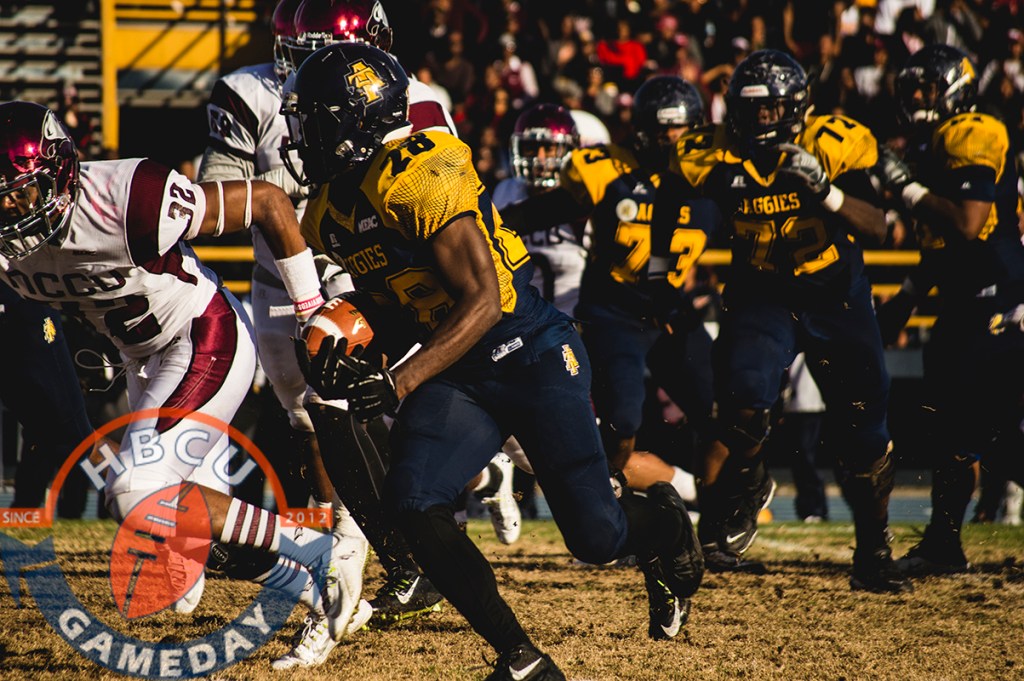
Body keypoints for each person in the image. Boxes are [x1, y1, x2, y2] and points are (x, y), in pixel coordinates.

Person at [285, 42, 703, 676]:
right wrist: (352, 342)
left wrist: (396, 384)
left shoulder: (418, 170)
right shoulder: (327, 213)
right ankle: (521, 658)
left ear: (361, 116)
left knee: (596, 539)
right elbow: (395, 301)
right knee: (414, 502)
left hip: (525, 348)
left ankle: (668, 529)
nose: (300, 135)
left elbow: (480, 300)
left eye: (314, 119)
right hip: (460, 372)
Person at [0, 99, 369, 665]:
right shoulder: (10, 247)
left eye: (20, 192)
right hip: (145, 360)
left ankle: (320, 552)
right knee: (176, 536)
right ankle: (320, 590)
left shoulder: (130, 198)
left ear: (60, 172)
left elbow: (268, 203)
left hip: (205, 336)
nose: (10, 208)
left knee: (135, 492)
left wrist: (310, 309)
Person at [653, 50, 911, 593]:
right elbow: (672, 190)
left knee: (865, 434)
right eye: (754, 111)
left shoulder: (832, 141)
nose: (764, 122)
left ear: (797, 108)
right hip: (762, 295)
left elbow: (880, 227)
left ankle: (873, 549)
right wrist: (659, 266)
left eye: (773, 110)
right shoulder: (710, 151)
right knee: (743, 397)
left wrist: (825, 191)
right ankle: (749, 483)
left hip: (836, 297)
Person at [500, 77, 716, 504]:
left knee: (720, 409)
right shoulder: (594, 179)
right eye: (661, 131)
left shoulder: (713, 179)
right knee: (604, 425)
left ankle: (718, 506)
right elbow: (529, 215)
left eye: (680, 130)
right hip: (594, 315)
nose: (672, 141)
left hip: (645, 315)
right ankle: (604, 511)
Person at [875, 44, 1024, 575]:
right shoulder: (932, 143)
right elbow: (944, 249)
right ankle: (943, 540)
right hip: (964, 306)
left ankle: (943, 539)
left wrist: (908, 188)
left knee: (995, 435)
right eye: (910, 87)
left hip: (998, 304)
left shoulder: (974, 130)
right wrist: (906, 301)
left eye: (927, 86)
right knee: (954, 432)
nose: (917, 96)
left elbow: (966, 222)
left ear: (956, 88)